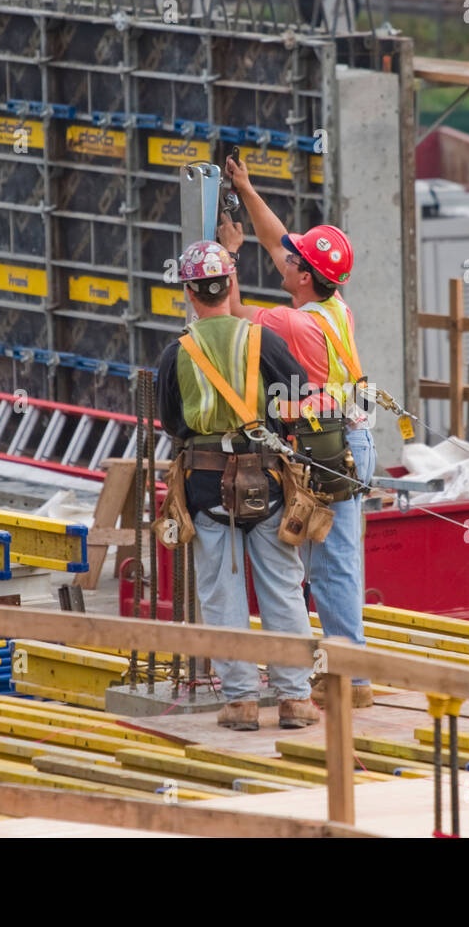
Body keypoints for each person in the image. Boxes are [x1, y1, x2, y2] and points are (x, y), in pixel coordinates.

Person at [218, 156, 377, 709]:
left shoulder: (295, 323)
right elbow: (278, 238)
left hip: (332, 448)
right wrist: (245, 187)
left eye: (293, 261)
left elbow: (228, 309)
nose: (284, 258)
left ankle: (349, 682)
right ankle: (345, 674)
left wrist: (228, 255)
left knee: (331, 568)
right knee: (333, 561)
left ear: (304, 276)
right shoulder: (334, 307)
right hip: (344, 441)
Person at [156, 239, 320, 731]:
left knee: (221, 595)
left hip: (205, 488)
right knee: (283, 591)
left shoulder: (176, 353)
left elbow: (172, 425)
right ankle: (294, 699)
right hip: (266, 484)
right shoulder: (263, 341)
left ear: (189, 292)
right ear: (230, 284)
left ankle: (241, 702)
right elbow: (299, 404)